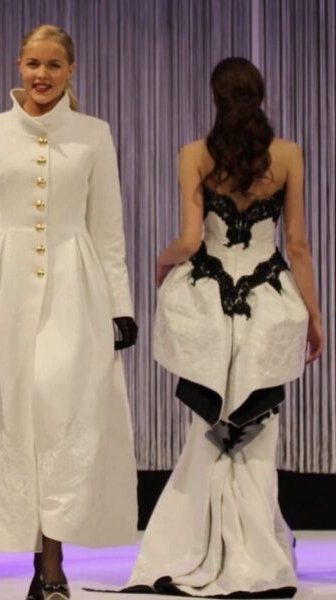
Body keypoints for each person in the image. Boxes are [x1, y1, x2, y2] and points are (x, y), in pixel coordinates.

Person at [0, 25, 138, 600]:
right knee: (17, 419)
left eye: (53, 65)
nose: (41, 75)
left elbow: (109, 230)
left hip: (76, 288)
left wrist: (120, 305)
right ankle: (38, 559)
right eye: (32, 63)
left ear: (71, 70)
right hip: (9, 291)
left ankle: (53, 563)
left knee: (64, 414)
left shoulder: (94, 134)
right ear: (18, 65)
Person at [125, 57, 323, 598]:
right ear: (260, 96)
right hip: (267, 302)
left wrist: (162, 262)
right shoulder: (287, 155)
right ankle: (259, 559)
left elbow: (191, 241)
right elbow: (298, 244)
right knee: (256, 436)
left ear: (215, 98)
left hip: (210, 302)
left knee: (209, 432)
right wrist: (315, 315)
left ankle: (193, 548)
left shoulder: (195, 154)